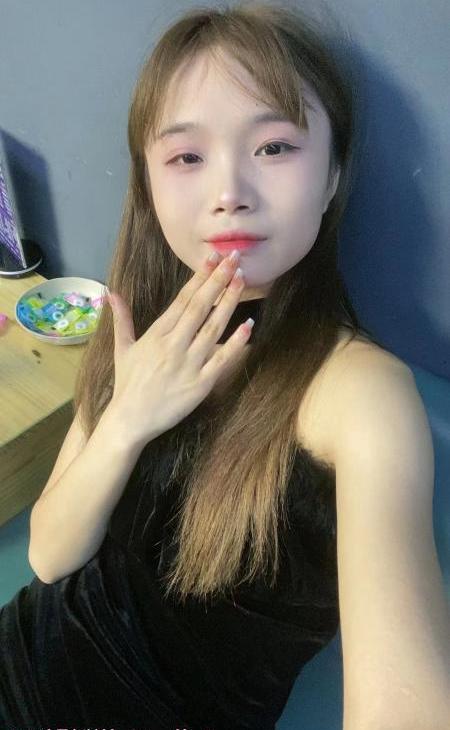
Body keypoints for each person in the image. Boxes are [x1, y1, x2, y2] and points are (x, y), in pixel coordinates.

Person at [3, 2, 447, 729]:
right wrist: (127, 418)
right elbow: (50, 557)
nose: (229, 193)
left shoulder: (359, 393)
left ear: (332, 176)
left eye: (274, 147)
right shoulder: (142, 325)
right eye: (187, 157)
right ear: (149, 185)